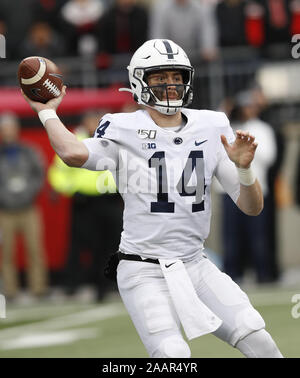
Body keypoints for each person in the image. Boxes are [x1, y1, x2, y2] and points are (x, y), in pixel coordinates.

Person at [21, 39, 283, 358]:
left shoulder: (212, 125)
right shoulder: (123, 126)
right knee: (173, 354)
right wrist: (47, 112)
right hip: (142, 267)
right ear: (139, 81)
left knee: (257, 337)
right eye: (160, 78)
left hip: (195, 264)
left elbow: (252, 207)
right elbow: (73, 153)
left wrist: (244, 169)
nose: (171, 85)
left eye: (176, 77)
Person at [48, 111, 122, 301]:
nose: (93, 124)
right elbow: (58, 173)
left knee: (112, 245)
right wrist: (73, 190)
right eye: (90, 120)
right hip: (85, 202)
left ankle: (106, 286)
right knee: (80, 245)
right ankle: (72, 285)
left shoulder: (113, 141)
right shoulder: (75, 141)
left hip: (110, 199)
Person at [221, 90, 278, 284]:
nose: (245, 110)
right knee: (231, 237)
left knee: (258, 236)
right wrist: (225, 112)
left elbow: (269, 157)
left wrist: (247, 153)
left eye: (249, 106)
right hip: (228, 192)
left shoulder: (262, 128)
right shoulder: (227, 127)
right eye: (242, 106)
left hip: (255, 187)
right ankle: (232, 276)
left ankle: (263, 274)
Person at [0, 112, 48, 301]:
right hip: (4, 211)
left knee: (35, 249)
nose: (8, 132)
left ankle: (38, 289)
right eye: (4, 129)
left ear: (16, 129)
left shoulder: (29, 151)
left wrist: (28, 193)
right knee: (7, 253)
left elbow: (39, 174)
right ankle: (10, 291)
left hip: (29, 208)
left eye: (11, 128)